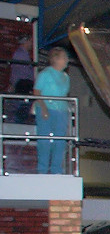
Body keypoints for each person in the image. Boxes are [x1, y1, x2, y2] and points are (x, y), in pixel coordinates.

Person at [33, 45, 72, 174]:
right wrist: (43, 108)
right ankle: (42, 169)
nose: (67, 60)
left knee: (60, 141)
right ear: (56, 59)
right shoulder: (45, 74)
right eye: (64, 57)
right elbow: (37, 91)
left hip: (61, 111)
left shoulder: (66, 77)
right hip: (46, 108)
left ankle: (57, 169)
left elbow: (64, 95)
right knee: (44, 140)